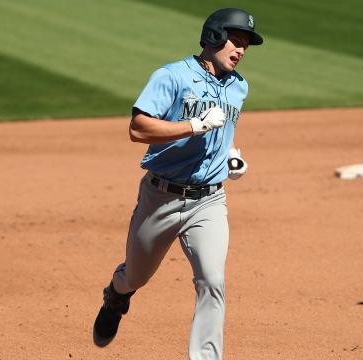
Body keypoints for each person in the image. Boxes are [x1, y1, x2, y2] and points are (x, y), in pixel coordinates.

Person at [93, 8, 263, 360]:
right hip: (161, 197)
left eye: (246, 44)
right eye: (236, 40)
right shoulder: (171, 77)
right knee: (135, 275)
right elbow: (138, 129)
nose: (241, 50)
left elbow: (224, 129)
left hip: (209, 202)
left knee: (212, 281)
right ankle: (117, 295)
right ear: (214, 36)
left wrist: (229, 157)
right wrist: (194, 126)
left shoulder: (238, 86)